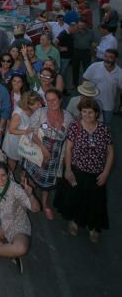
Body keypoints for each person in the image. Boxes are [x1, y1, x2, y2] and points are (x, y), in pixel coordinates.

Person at [54, 98, 114, 243]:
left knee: (96, 202)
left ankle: (94, 227)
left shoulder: (103, 129)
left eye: (90, 112)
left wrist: (105, 172)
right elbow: (68, 148)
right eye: (84, 112)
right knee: (77, 197)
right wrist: (68, 169)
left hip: (97, 174)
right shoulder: (75, 127)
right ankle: (75, 221)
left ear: (96, 113)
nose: (87, 115)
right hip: (79, 171)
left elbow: (110, 152)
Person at [22, 88, 73, 219]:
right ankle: (28, 198)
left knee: (47, 184)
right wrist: (43, 149)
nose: (51, 103)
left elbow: (69, 140)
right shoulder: (40, 112)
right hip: (38, 151)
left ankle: (44, 204)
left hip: (55, 156)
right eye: (48, 100)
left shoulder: (68, 117)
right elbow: (31, 132)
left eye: (54, 99)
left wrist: (64, 161)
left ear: (60, 100)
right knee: (32, 177)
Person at [2, 91, 43, 172]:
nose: (41, 105)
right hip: (14, 142)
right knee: (12, 162)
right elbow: (11, 130)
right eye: (38, 104)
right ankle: (11, 176)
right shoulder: (19, 114)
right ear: (29, 105)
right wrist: (25, 131)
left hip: (24, 142)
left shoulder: (33, 110)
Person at [83, 50, 122, 124]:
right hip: (93, 102)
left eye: (110, 57)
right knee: (91, 124)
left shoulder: (120, 72)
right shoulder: (95, 66)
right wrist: (85, 97)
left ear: (115, 59)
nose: (107, 59)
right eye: (105, 56)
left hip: (108, 105)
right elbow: (85, 80)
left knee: (106, 126)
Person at [72, 19, 94, 87]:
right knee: (75, 68)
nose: (80, 27)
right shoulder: (75, 31)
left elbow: (93, 43)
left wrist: (92, 55)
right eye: (79, 25)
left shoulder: (91, 32)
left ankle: (85, 84)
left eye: (82, 25)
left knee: (86, 69)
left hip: (86, 52)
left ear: (86, 25)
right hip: (76, 52)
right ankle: (75, 84)